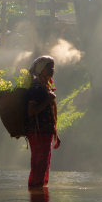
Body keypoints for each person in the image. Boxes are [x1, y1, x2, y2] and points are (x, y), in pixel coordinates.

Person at [26, 56, 62, 188]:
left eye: (53, 66)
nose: (52, 69)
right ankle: (36, 194)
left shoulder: (45, 86)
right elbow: (31, 111)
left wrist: (55, 134)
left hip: (45, 132)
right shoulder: (36, 87)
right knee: (39, 164)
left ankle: (39, 194)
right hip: (37, 131)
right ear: (41, 69)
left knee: (44, 164)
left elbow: (49, 113)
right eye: (49, 67)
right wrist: (48, 99)